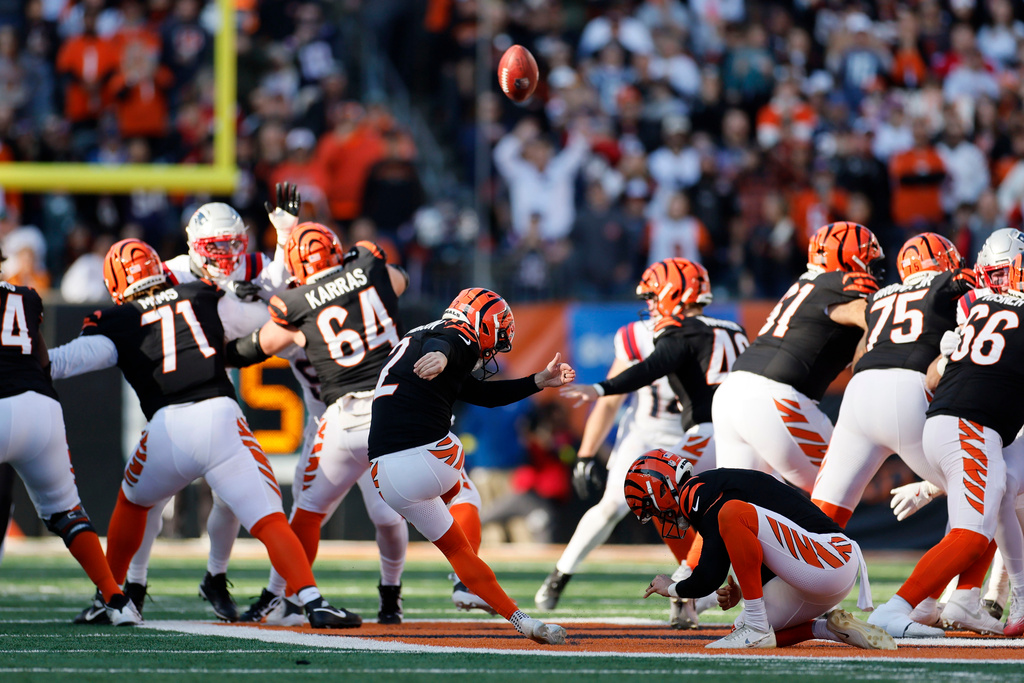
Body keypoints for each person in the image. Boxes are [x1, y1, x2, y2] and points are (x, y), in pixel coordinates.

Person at [48, 238, 360, 629]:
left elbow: (65, 362)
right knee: (269, 520)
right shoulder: (202, 295)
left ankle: (111, 598)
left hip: (166, 427)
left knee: (133, 504)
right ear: (160, 270)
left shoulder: (117, 319)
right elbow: (268, 328)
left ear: (116, 285)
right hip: (220, 418)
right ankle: (312, 601)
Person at [224, 222, 411, 625]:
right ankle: (287, 595)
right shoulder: (365, 273)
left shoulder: (292, 305)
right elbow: (399, 279)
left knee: (312, 513)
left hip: (340, 418)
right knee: (384, 515)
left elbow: (251, 346)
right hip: (374, 411)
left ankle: (298, 595)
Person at [545, 258, 748, 628]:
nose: (650, 303)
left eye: (655, 295)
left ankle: (689, 587)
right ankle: (563, 575)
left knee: (683, 501)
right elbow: (614, 403)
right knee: (634, 502)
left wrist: (597, 387)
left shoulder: (683, 332)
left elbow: (648, 370)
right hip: (655, 432)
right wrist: (587, 452)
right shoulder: (727, 328)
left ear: (674, 293)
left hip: (697, 435)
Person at [367, 287, 576, 644]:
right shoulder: (459, 335)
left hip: (384, 477)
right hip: (426, 458)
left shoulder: (421, 333)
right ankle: (465, 584)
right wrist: (441, 357)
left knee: (458, 549)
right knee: (460, 473)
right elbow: (450, 343)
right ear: (482, 325)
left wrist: (539, 380)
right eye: (494, 343)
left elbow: (483, 395)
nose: (491, 353)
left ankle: (523, 622)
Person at [868, 251, 1024, 639]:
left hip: (942, 422)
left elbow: (932, 379)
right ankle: (895, 608)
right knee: (972, 532)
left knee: (995, 493)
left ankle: (957, 601)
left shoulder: (979, 304)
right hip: (972, 427)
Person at [0, 248, 141, 626]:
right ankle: (115, 597)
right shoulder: (25, 297)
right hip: (40, 407)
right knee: (68, 513)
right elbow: (41, 361)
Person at [630, 449, 893, 651]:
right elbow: (769, 546)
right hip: (817, 572)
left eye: (653, 509)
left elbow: (708, 577)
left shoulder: (698, 493)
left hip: (831, 555)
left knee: (733, 513)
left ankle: (756, 626)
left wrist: (672, 587)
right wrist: (744, 590)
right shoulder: (708, 489)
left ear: (661, 491)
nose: (660, 518)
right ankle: (827, 629)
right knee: (740, 627)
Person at [811, 233, 975, 527]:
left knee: (822, 514)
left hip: (859, 392)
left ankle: (785, 572)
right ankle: (967, 576)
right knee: (979, 494)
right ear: (945, 262)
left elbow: (857, 352)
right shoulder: (948, 284)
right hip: (908, 390)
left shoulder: (878, 297)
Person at [712, 222, 882, 492]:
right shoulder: (842, 285)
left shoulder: (807, 284)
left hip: (731, 392)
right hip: (774, 398)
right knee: (840, 490)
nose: (873, 270)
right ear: (852, 259)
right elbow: (871, 316)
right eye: (870, 262)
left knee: (734, 507)